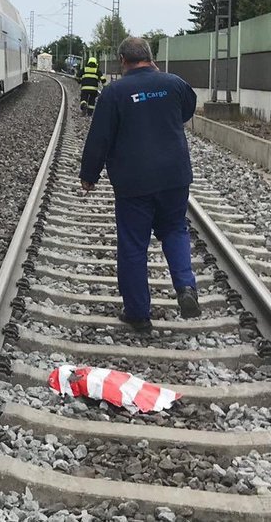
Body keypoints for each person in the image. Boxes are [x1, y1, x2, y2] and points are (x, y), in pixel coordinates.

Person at [78, 37, 200, 332]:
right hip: (174, 176)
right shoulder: (174, 84)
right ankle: (185, 287)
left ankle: (138, 313)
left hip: (134, 181)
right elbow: (187, 110)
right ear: (150, 57)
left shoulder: (114, 92)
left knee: (134, 244)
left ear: (122, 61)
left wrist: (89, 175)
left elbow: (100, 137)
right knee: (174, 229)